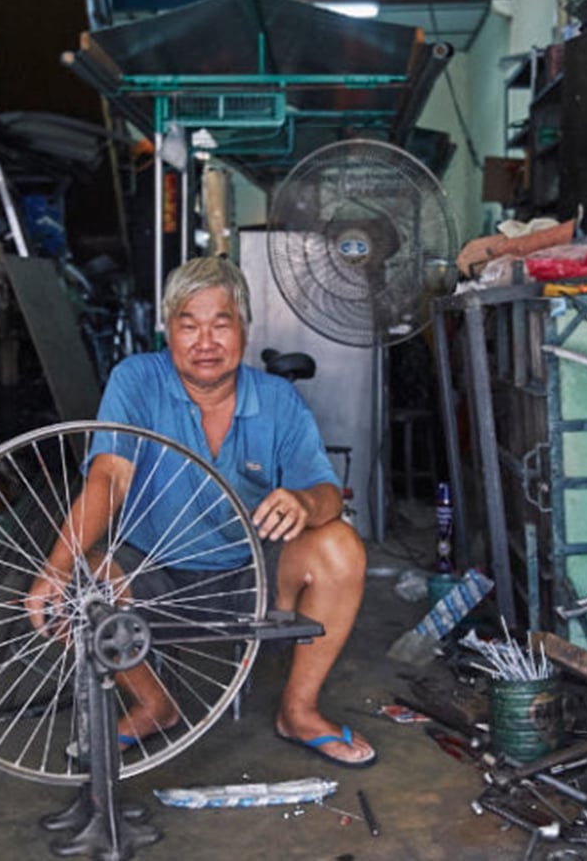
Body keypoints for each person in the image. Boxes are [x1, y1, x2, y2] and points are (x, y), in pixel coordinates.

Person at [24, 256, 374, 767]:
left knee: (341, 545)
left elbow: (323, 489)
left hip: (250, 573)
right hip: (152, 573)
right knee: (81, 586)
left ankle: (297, 711)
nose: (205, 341)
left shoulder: (277, 399)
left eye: (220, 324)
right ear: (168, 330)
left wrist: (303, 501)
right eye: (188, 325)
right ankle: (152, 706)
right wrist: (55, 567)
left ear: (245, 330)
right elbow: (108, 477)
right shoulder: (137, 380)